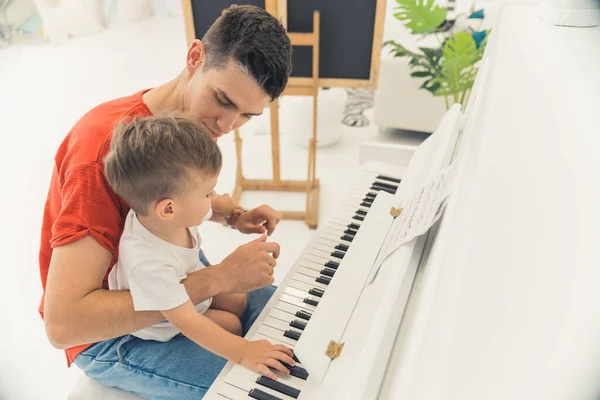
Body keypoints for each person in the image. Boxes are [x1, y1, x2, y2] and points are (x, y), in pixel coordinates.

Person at [39, 5, 292, 399]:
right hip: (111, 334)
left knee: (294, 327)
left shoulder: (179, 125)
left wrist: (234, 216)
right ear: (194, 58)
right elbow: (64, 325)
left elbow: (170, 198)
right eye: (222, 100)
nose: (226, 126)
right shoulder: (98, 154)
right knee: (269, 386)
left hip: (169, 273)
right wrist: (216, 278)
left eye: (246, 115)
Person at [106, 116, 294, 383]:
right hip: (164, 323)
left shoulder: (167, 214)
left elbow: (209, 210)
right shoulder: (148, 263)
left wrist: (236, 216)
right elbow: (188, 322)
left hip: (183, 287)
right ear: (169, 208)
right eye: (208, 193)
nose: (214, 199)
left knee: (238, 298)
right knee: (231, 325)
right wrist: (245, 351)